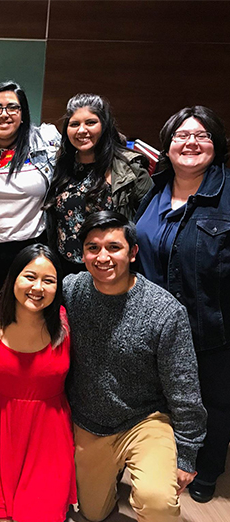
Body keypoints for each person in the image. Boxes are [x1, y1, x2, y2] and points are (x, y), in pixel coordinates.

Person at [64, 210, 207, 522]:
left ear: (133, 253)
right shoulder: (71, 291)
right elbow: (23, 299)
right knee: (93, 513)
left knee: (157, 503)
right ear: (83, 254)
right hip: (89, 421)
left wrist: (187, 455)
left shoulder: (164, 311)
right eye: (93, 248)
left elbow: (185, 389)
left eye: (114, 247)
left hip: (146, 420)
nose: (103, 257)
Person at [135, 106, 230, 504]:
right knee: (165, 398)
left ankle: (207, 472)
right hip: (156, 326)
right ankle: (167, 464)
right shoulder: (153, 192)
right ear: (167, 146)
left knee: (213, 401)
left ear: (217, 145)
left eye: (201, 135)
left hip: (211, 324)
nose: (190, 143)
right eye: (181, 136)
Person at [0, 244, 76, 522]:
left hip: (49, 438)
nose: (38, 288)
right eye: (29, 277)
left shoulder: (65, 321)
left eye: (49, 280)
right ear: (13, 277)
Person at [0, 81, 60, 290]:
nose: (3, 114)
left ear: (23, 113)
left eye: (12, 107)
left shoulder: (44, 143)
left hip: (30, 250)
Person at [44, 93, 152, 275]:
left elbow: (148, 221)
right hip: (66, 268)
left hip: (109, 268)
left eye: (90, 123)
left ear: (104, 126)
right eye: (74, 124)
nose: (81, 130)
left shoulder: (129, 168)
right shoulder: (60, 164)